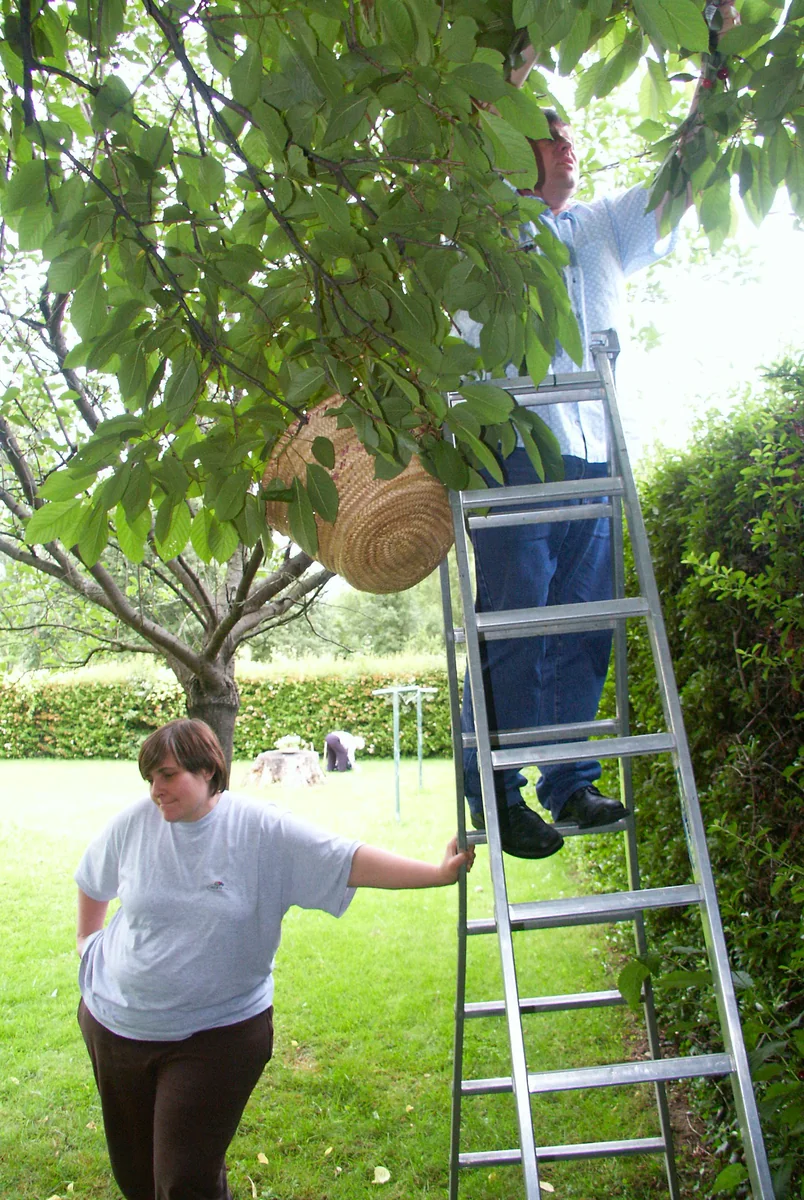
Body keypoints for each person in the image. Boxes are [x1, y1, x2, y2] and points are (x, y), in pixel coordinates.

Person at [457, 41, 738, 858]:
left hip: (595, 456)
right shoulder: (478, 225)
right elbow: (464, 138)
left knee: (586, 623)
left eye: (569, 134)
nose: (567, 145)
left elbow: (685, 172)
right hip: (516, 449)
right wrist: (513, 62)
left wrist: (716, 65)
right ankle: (493, 788)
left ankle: (568, 784)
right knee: (517, 617)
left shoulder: (605, 226)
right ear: (510, 148)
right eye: (548, 136)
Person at [75, 717, 474, 1200]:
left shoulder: (260, 830)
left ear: (207, 770)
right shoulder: (136, 822)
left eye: (168, 775)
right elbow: (92, 879)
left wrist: (436, 873)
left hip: (214, 1035)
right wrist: (87, 941)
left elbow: (345, 860)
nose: (156, 790)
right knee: (135, 1175)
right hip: (116, 1024)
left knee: (184, 1181)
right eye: (150, 778)